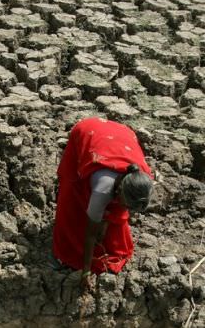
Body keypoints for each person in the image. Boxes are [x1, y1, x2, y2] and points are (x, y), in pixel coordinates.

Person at [51, 117, 155, 289]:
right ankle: (62, 251)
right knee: (71, 200)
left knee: (110, 222)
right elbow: (90, 234)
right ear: (119, 192)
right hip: (87, 132)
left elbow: (118, 209)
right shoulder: (102, 189)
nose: (127, 210)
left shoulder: (142, 179)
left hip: (121, 136)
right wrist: (85, 271)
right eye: (126, 205)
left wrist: (106, 222)